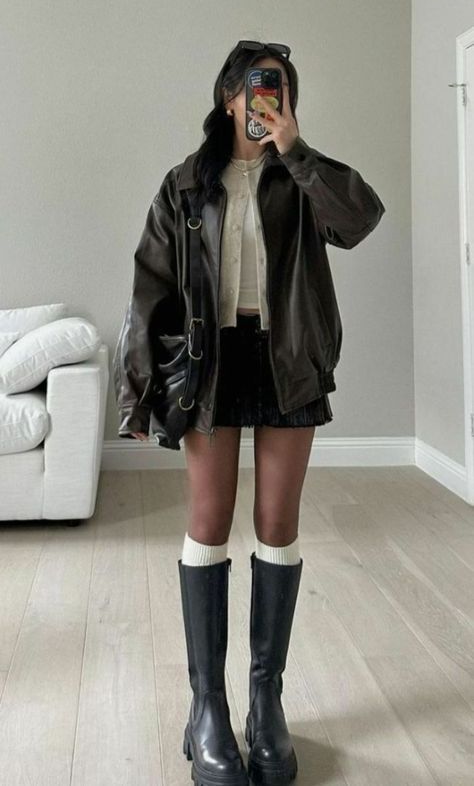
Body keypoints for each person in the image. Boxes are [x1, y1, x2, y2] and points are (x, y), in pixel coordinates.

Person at [113, 39, 385, 786]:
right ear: (229, 97)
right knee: (208, 523)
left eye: (281, 88)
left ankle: (266, 702)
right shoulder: (185, 185)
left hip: (288, 360)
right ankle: (207, 707)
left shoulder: (302, 177)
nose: (269, 99)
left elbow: (360, 219)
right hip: (210, 365)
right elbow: (149, 289)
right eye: (259, 86)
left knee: (277, 524)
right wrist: (138, 392)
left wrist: (295, 148)